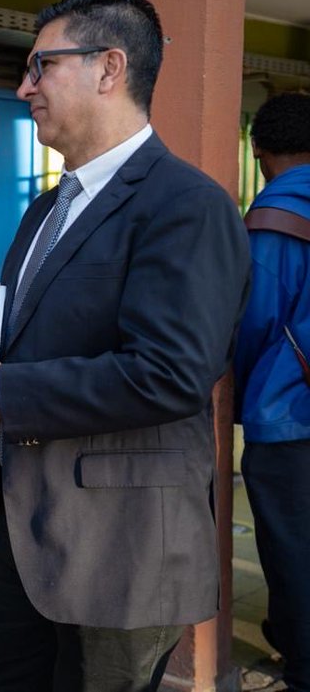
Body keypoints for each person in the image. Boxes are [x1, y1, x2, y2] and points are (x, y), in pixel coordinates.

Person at [0, 0, 250, 692]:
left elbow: (169, 372)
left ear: (109, 69)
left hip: (118, 553)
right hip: (19, 537)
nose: (25, 87)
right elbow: (6, 319)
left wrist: (5, 390)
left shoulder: (187, 206)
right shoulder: (49, 206)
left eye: (40, 66)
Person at [235, 91, 310, 692]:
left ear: (259, 154)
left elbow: (254, 323)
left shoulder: (273, 219)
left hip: (289, 415)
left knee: (291, 552)